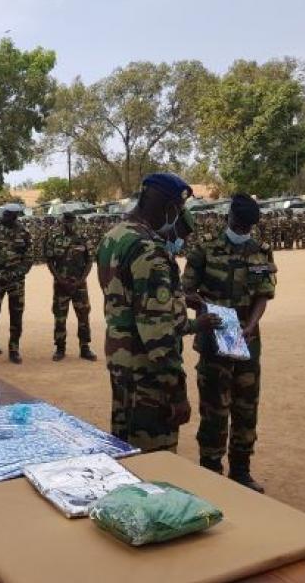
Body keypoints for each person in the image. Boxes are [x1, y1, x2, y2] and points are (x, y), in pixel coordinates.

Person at [96, 173, 219, 453]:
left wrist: (177, 298)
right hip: (148, 373)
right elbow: (157, 334)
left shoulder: (115, 236)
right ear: (169, 208)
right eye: (179, 209)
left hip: (122, 361)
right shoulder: (150, 250)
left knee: (126, 448)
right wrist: (176, 390)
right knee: (154, 458)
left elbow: (127, 296)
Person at [182, 193, 277, 493]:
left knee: (246, 409)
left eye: (248, 227)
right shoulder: (205, 248)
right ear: (229, 218)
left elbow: (263, 294)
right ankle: (210, 472)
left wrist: (251, 325)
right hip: (214, 342)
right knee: (214, 410)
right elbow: (185, 290)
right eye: (239, 225)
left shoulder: (261, 251)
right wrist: (205, 308)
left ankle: (241, 471)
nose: (243, 231)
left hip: (247, 343)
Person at [0, 204, 33, 365]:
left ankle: (14, 350)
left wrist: (16, 273)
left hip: (16, 281)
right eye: (4, 214)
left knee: (16, 316)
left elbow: (28, 258)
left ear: (14, 216)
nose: (4, 217)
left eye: (7, 215)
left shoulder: (24, 233)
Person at [45, 212, 96, 362]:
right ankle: (60, 348)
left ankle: (85, 348)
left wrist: (81, 280)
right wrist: (59, 279)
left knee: (83, 316)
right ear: (62, 223)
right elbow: (50, 261)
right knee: (60, 317)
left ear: (75, 222)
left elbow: (89, 261)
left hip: (79, 285)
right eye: (66, 222)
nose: (69, 225)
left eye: (71, 222)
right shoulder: (55, 239)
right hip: (61, 285)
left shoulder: (83, 238)